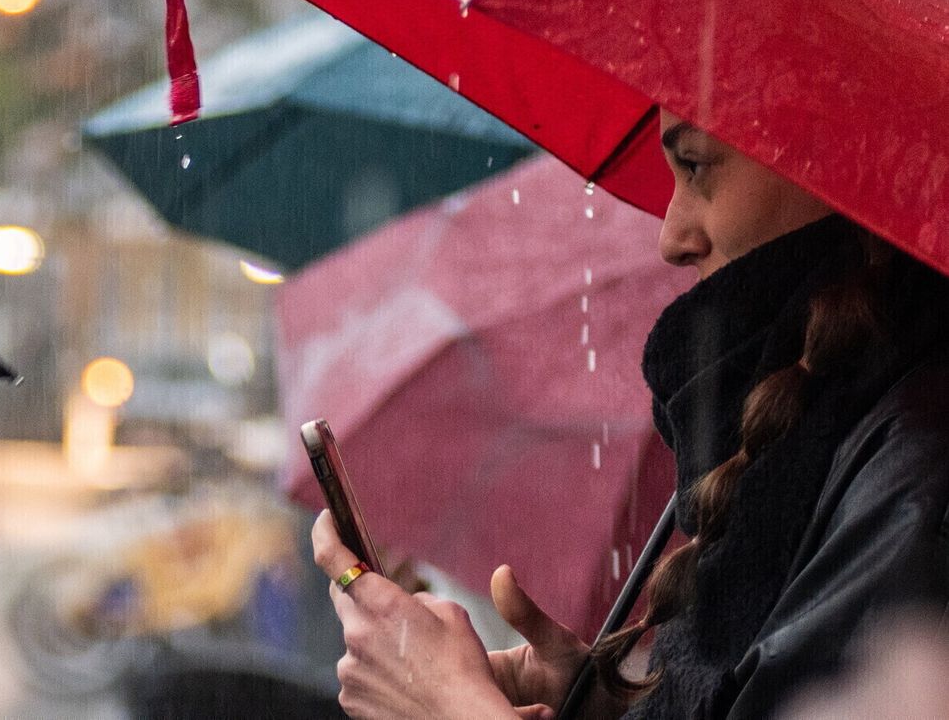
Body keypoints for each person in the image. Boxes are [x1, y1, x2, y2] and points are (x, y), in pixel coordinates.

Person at [312, 112, 949, 719]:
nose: (671, 236)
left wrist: (449, 706)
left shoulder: (915, 478)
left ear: (844, 167)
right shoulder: (835, 451)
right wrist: (615, 708)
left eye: (696, 165)